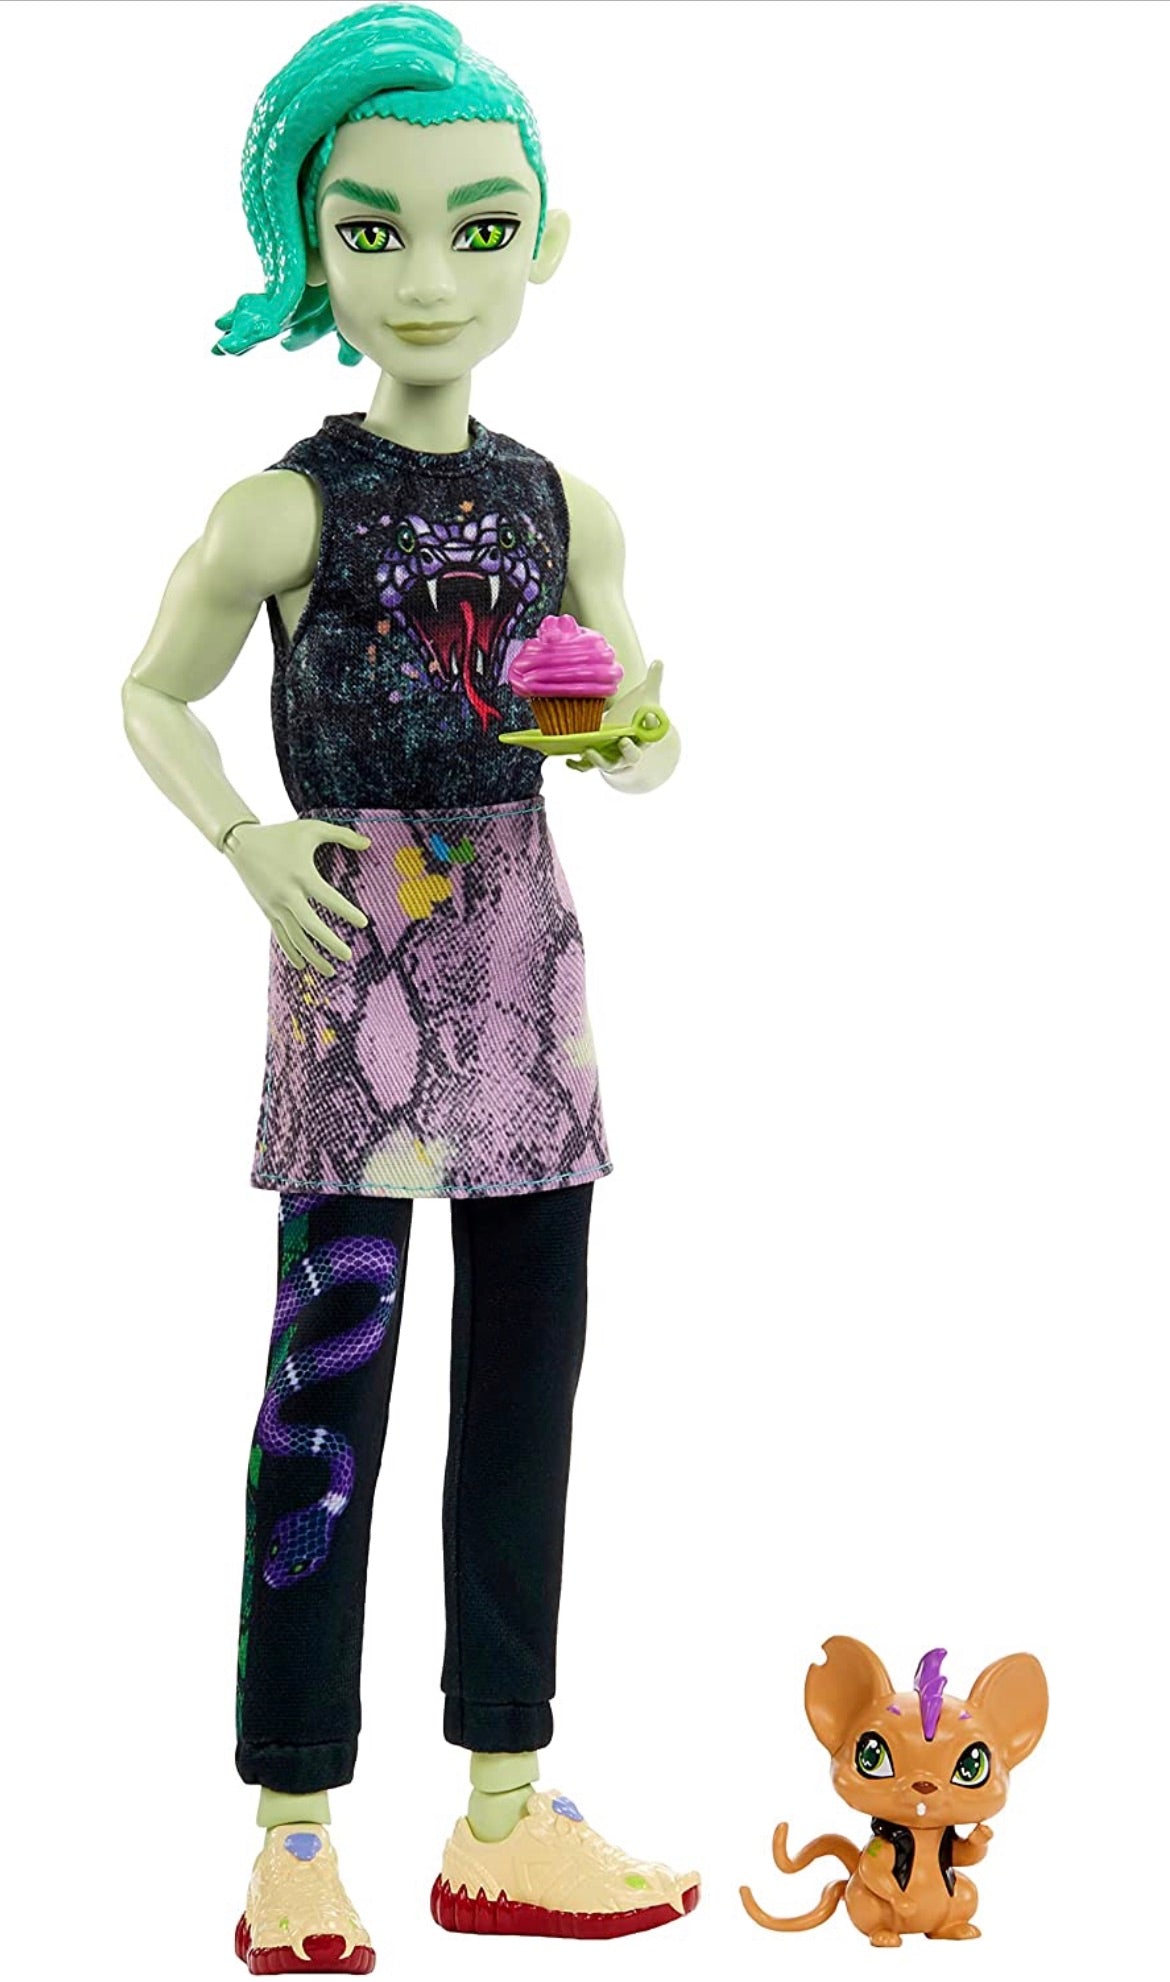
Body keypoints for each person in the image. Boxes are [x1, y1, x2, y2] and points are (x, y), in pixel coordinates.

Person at [122, 5, 695, 1968]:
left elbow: (634, 719)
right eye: (372, 231)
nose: (430, 275)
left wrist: (633, 740)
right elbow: (150, 691)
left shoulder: (567, 507)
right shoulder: (281, 508)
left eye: (480, 226)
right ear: (313, 250)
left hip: (528, 969)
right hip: (349, 966)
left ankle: (503, 1811)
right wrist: (241, 838)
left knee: (525, 1391)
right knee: (326, 1395)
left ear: (545, 241)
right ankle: (294, 1825)